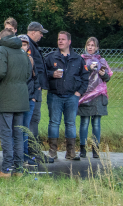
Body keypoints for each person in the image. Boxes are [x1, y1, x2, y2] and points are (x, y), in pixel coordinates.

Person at [0, 28, 31, 177]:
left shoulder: (2, 50)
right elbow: (28, 74)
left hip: (6, 97)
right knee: (18, 134)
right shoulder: (23, 52)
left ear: (1, 38)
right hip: (21, 97)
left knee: (6, 133)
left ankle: (6, 169)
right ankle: (18, 169)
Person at [44, 31, 89, 161]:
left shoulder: (78, 59)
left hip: (71, 97)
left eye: (63, 39)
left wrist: (79, 92)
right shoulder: (50, 57)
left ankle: (71, 152)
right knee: (54, 123)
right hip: (55, 95)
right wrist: (52, 74)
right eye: (59, 39)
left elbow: (85, 77)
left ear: (69, 42)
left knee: (70, 124)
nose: (60, 41)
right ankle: (52, 152)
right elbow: (42, 73)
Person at [78, 37, 113, 158]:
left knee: (96, 123)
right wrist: (88, 69)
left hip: (98, 95)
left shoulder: (101, 61)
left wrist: (103, 74)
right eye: (88, 45)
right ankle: (82, 148)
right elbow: (78, 75)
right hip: (85, 95)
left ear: (97, 47)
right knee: (84, 122)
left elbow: (107, 77)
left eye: (93, 45)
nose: (90, 47)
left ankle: (95, 149)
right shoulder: (81, 60)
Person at [25, 21, 52, 162]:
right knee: (33, 120)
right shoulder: (28, 45)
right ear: (33, 32)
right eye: (40, 33)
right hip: (33, 90)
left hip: (35, 88)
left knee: (33, 119)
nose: (42, 35)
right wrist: (37, 86)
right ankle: (33, 151)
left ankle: (33, 150)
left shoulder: (32, 45)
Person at [18, 35, 38, 162]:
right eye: (20, 44)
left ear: (28, 47)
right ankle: (17, 155)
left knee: (25, 128)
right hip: (17, 99)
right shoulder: (13, 59)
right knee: (17, 129)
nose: (22, 47)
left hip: (29, 98)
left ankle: (25, 155)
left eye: (25, 45)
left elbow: (36, 79)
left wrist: (34, 96)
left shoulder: (31, 59)